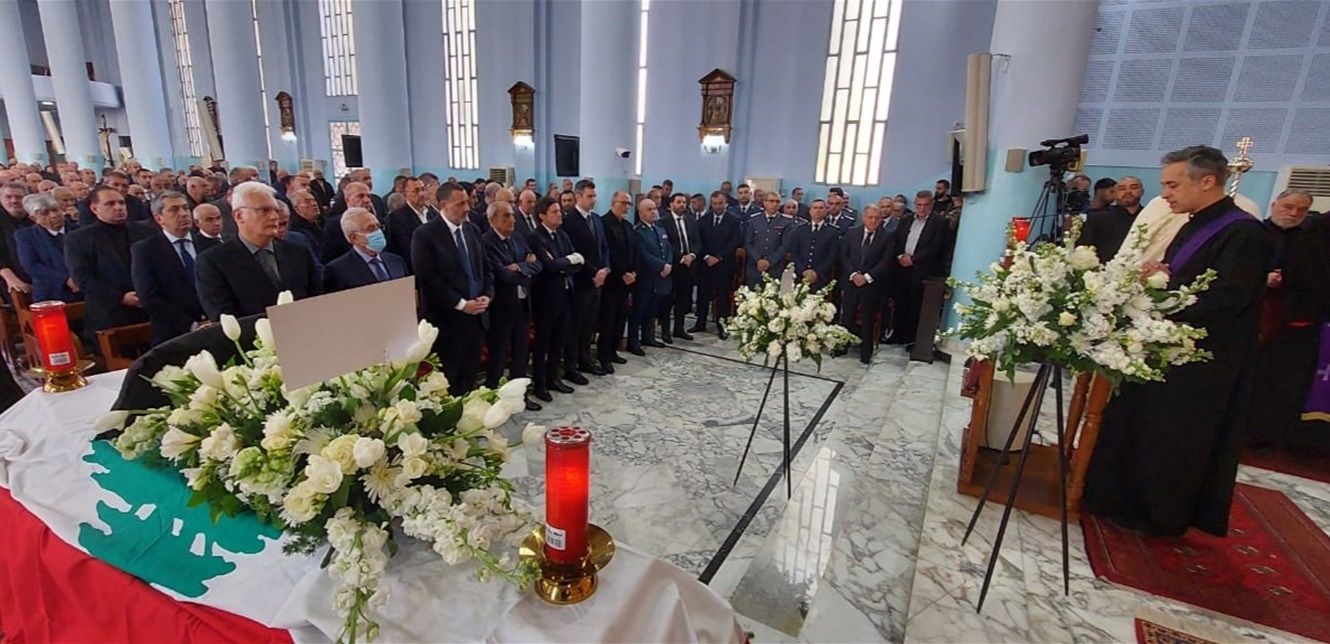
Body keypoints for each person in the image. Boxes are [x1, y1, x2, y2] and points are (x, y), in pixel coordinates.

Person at [1084, 145, 1269, 538]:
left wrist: (1163, 290)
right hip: (1165, 345)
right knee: (1138, 422)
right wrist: (1160, 273)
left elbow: (1228, 298)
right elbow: (1182, 274)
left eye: (1172, 185)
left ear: (1206, 181)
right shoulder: (1192, 222)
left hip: (1201, 359)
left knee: (1173, 437)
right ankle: (1117, 498)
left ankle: (1157, 514)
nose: (1164, 194)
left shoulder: (1243, 232)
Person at [1247, 189, 1327, 451]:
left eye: (1302, 210)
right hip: (1254, 320)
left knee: (1282, 384)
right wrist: (1263, 279)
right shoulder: (1253, 234)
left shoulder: (1312, 239)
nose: (1293, 213)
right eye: (1288, 207)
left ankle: (1270, 435)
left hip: (1294, 324)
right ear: (1274, 204)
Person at [412, 182, 493, 396]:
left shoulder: (472, 230)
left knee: (469, 376)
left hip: (476, 318)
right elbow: (428, 277)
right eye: (460, 204)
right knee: (447, 381)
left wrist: (487, 295)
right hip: (446, 320)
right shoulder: (425, 234)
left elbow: (485, 268)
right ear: (443, 205)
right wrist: (461, 304)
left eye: (467, 202)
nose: (467, 208)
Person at [194, 182, 321, 320]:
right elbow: (225, 317)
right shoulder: (213, 262)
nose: (274, 217)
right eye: (264, 210)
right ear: (239, 215)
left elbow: (316, 300)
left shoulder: (298, 253)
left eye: (276, 210)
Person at [64, 185, 151, 346]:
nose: (118, 207)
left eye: (121, 203)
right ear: (94, 208)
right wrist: (121, 297)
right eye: (110, 204)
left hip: (149, 307)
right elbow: (83, 278)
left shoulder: (144, 231)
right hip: (109, 312)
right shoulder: (79, 238)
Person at [131, 191, 218, 346]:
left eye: (186, 208)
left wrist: (216, 318)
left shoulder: (210, 244)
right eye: (174, 210)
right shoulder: (146, 250)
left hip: (216, 326)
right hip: (174, 334)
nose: (183, 214)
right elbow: (149, 297)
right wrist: (192, 325)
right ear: (159, 218)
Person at [481, 200, 540, 407]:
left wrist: (519, 267)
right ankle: (492, 398)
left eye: (513, 215)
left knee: (521, 353)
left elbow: (537, 265)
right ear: (492, 220)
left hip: (522, 305)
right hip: (501, 308)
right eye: (506, 215)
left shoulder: (517, 238)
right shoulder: (487, 242)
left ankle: (519, 396)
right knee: (498, 355)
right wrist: (525, 267)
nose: (512, 219)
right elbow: (502, 276)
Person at [527, 197, 581, 401]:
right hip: (545, 298)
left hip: (565, 294)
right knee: (543, 342)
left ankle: (553, 378)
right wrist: (567, 262)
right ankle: (540, 383)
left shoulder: (562, 235)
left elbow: (577, 263)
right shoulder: (536, 237)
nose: (560, 215)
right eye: (554, 212)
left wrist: (564, 263)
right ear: (542, 215)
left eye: (560, 211)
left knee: (559, 340)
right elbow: (549, 266)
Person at [888, 191, 950, 346]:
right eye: (919, 205)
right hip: (902, 267)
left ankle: (912, 338)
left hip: (923, 270)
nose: (922, 208)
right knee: (900, 301)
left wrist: (914, 259)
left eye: (925, 205)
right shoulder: (906, 219)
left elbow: (937, 247)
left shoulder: (940, 222)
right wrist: (900, 256)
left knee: (917, 304)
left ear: (932, 204)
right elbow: (897, 240)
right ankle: (897, 334)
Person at [561, 180, 609, 377]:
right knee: (576, 325)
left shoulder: (596, 219)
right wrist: (594, 272)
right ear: (578, 197)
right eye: (589, 196)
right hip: (581, 280)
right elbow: (574, 252)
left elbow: (604, 247)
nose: (593, 200)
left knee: (590, 323)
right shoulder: (570, 221)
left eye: (594, 196)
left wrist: (605, 269)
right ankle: (571, 365)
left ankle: (586, 359)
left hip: (598, 280)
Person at [839, 205, 893, 364]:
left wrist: (867, 277)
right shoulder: (852, 233)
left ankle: (865, 352)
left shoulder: (887, 237)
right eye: (870, 217)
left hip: (871, 285)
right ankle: (842, 345)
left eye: (877, 218)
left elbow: (886, 261)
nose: (873, 221)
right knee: (847, 316)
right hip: (852, 282)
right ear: (863, 218)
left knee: (868, 318)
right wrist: (854, 275)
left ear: (881, 220)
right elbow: (844, 256)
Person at [597, 191, 637, 372]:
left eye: (629, 204)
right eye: (623, 203)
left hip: (627, 280)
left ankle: (613, 350)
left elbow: (633, 251)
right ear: (613, 202)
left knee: (621, 317)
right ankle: (604, 355)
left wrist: (633, 271)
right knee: (608, 319)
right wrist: (622, 273)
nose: (627, 207)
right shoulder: (604, 223)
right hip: (612, 280)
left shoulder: (627, 225)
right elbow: (609, 252)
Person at [323, 207, 407, 293]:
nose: (378, 232)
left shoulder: (397, 261)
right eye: (371, 229)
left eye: (378, 226)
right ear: (354, 238)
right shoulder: (337, 271)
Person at [692, 191, 741, 337]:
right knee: (703, 294)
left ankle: (722, 326)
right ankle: (700, 323)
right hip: (705, 263)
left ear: (725, 203)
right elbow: (698, 241)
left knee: (722, 296)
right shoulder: (703, 220)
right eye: (715, 204)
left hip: (723, 264)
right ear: (711, 204)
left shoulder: (734, 221)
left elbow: (734, 242)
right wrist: (707, 256)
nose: (717, 206)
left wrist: (719, 257)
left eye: (720, 203)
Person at [15, 194, 79, 302]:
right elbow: (31, 265)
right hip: (50, 293)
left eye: (55, 210)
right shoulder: (26, 236)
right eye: (45, 213)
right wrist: (66, 279)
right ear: (34, 218)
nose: (54, 215)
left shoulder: (79, 230)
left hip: (84, 289)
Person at [629, 198, 672, 355]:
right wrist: (661, 265)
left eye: (654, 209)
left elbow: (668, 248)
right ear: (641, 213)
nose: (653, 212)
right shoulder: (638, 232)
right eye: (649, 209)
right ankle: (633, 342)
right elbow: (643, 254)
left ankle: (648, 336)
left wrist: (668, 264)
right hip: (646, 277)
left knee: (652, 310)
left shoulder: (659, 229)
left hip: (660, 277)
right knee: (639, 310)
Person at [659, 192, 701, 342]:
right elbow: (666, 244)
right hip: (673, 265)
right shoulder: (663, 222)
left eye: (684, 202)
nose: (682, 205)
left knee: (683, 299)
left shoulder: (691, 220)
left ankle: (679, 329)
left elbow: (697, 241)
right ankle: (665, 331)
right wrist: (681, 257)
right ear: (671, 205)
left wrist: (692, 255)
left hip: (688, 267)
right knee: (667, 300)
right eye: (678, 202)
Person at [1081, 176, 1145, 263]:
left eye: (1133, 188)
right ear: (1115, 193)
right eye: (1122, 189)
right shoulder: (1097, 217)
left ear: (1142, 191)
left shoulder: (1149, 216)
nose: (1128, 191)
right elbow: (1084, 249)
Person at [385, 176, 440, 270]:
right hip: (416, 268)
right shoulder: (396, 218)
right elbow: (405, 249)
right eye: (416, 191)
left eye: (423, 189)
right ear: (405, 194)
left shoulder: (433, 214)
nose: (421, 194)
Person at [786, 199, 840, 293]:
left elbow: (832, 255)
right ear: (810, 211)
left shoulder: (833, 231)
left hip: (821, 277)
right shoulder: (800, 230)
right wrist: (803, 271)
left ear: (826, 211)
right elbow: (794, 253)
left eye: (821, 208)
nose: (818, 210)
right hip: (800, 275)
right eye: (815, 208)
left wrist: (817, 272)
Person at [744, 191, 796, 285]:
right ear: (765, 203)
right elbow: (748, 243)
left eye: (777, 202)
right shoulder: (754, 220)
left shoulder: (786, 222)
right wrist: (758, 259)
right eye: (771, 201)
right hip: (755, 266)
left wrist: (770, 261)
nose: (774, 204)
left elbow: (785, 246)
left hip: (775, 268)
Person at [321, 181, 375, 264]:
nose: (367, 200)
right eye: (360, 196)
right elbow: (329, 257)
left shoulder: (376, 220)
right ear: (347, 199)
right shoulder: (334, 225)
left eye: (368, 196)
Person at [0, 182, 35, 298]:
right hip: (9, 278)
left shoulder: (35, 218)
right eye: (8, 197)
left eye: (19, 197)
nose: (14, 200)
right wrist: (11, 278)